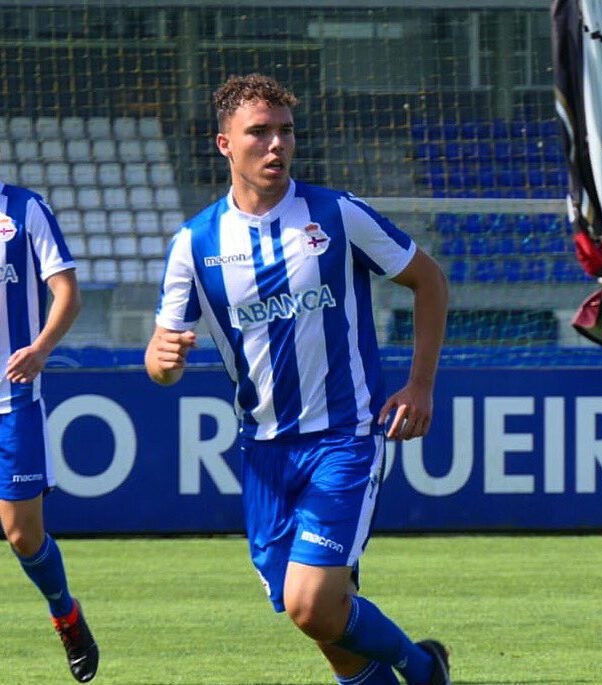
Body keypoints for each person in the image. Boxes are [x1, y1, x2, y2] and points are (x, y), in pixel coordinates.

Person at [145, 73, 450, 685]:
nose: (276, 144)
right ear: (224, 144)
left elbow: (430, 282)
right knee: (319, 619)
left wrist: (420, 386)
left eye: (285, 131)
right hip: (263, 452)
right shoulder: (195, 243)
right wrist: (163, 356)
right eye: (258, 132)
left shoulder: (336, 215)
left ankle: (422, 669)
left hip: (344, 438)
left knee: (313, 603)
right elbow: (161, 367)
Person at [0, 182, 99, 682]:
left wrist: (40, 349)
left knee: (21, 534)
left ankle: (66, 614)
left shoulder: (25, 209)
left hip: (12, 399)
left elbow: (67, 292)